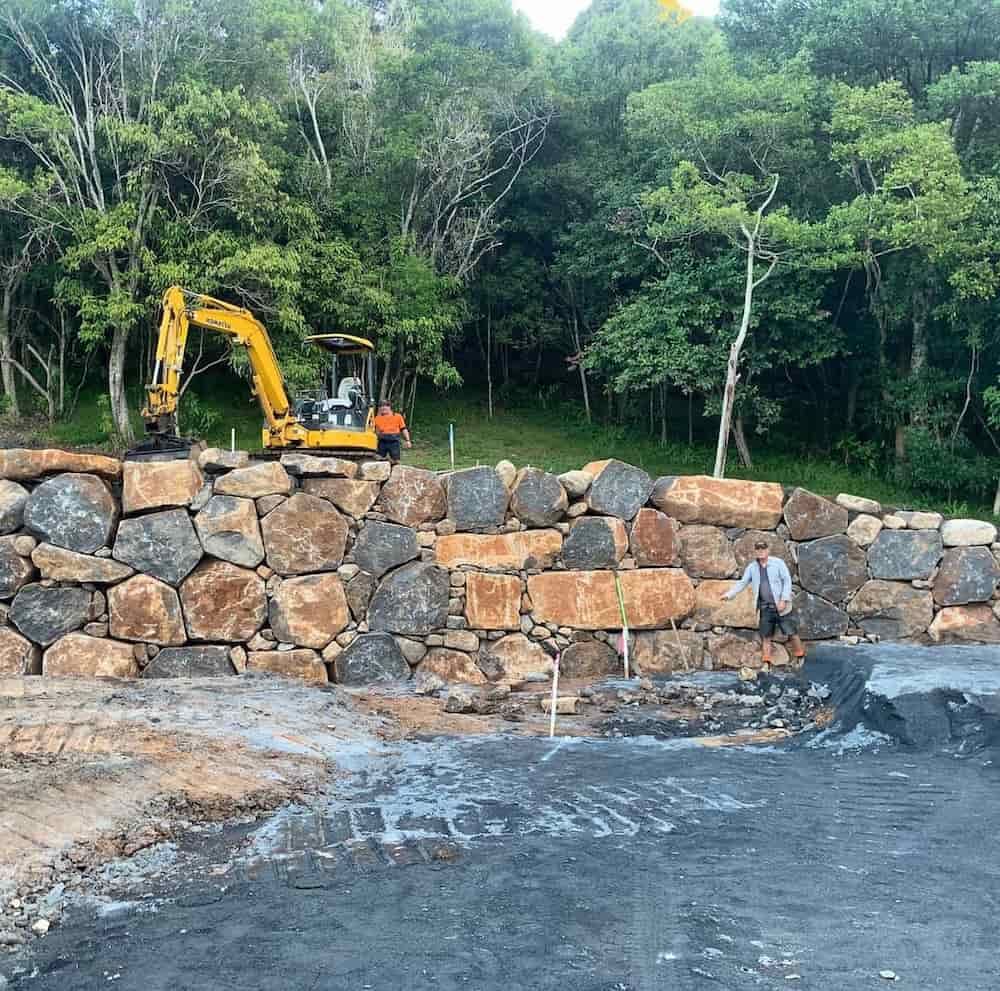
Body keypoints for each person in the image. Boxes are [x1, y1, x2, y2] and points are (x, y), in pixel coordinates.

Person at [720, 540, 806, 667]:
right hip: (765, 607)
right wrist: (729, 594)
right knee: (766, 635)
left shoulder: (778, 563)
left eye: (763, 549)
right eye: (758, 549)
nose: (761, 551)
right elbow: (743, 582)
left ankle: (800, 656)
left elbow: (787, 581)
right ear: (755, 551)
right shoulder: (752, 567)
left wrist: (783, 600)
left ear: (768, 550)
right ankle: (767, 663)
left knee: (791, 632)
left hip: (781, 607)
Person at [373, 400, 412, 465]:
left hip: (394, 442)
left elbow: (403, 429)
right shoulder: (377, 418)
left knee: (396, 461)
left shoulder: (398, 416)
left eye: (385, 406)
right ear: (379, 408)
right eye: (381, 406)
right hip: (382, 442)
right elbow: (376, 432)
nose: (383, 408)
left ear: (389, 407)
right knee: (377, 459)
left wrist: (408, 440)